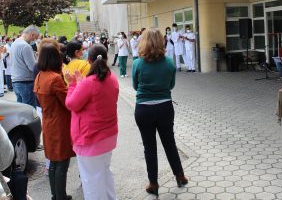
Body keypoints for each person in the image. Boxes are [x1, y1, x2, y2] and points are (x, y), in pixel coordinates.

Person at [132, 28, 188, 197]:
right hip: (164, 107)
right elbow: (171, 86)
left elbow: (135, 86)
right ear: (162, 42)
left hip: (143, 109)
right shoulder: (169, 62)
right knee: (169, 142)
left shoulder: (137, 63)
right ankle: (180, 176)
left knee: (149, 147)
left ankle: (153, 184)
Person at [65, 44, 119, 200]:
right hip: (108, 136)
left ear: (88, 61)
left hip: (90, 138)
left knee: (91, 181)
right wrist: (80, 83)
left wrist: (73, 84)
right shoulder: (112, 78)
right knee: (104, 172)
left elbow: (72, 104)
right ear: (106, 58)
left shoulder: (89, 82)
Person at [33, 44, 74, 200]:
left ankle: (55, 195)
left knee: (53, 163)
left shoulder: (40, 76)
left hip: (48, 122)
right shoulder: (55, 78)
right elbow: (68, 102)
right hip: (60, 123)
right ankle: (61, 196)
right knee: (62, 163)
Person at [10, 25, 40, 108]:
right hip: (26, 82)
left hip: (16, 81)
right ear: (32, 34)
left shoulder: (15, 43)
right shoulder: (25, 46)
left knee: (21, 110)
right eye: (35, 37)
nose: (34, 40)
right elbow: (32, 67)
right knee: (29, 111)